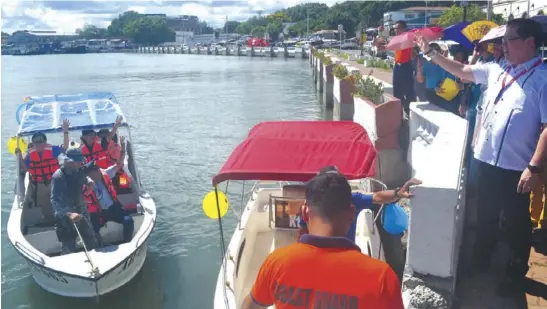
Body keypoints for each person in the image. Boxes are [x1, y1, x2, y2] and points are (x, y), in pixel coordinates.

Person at [416, 18, 546, 295]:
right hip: (485, 160)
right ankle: (481, 261)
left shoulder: (543, 80)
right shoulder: (497, 70)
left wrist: (534, 167)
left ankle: (514, 275)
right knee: (484, 215)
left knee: (516, 223)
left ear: (529, 43)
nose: (502, 46)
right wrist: (431, 54)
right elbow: (462, 71)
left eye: (508, 39)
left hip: (516, 167)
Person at [241, 168, 404, 309]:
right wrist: (398, 193)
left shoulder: (277, 263)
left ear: (305, 213)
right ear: (351, 213)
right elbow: (377, 197)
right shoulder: (382, 277)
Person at [17, 120, 70, 224]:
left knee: (59, 202)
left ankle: (64, 220)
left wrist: (65, 132)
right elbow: (26, 168)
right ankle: (50, 221)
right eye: (36, 141)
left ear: (45, 142)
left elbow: (65, 147)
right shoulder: (30, 154)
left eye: (41, 141)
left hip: (54, 182)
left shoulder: (52, 149)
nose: (38, 143)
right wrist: (19, 156)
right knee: (45, 205)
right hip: (40, 184)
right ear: (33, 143)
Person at [84, 136, 134, 243]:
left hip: (113, 208)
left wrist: (123, 147)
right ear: (89, 174)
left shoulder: (105, 173)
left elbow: (119, 164)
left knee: (128, 221)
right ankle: (99, 245)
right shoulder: (85, 183)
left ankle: (127, 242)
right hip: (98, 212)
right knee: (92, 230)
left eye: (97, 169)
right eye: (94, 170)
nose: (97, 171)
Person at [51, 148, 99, 255]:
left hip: (82, 211)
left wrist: (90, 182)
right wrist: (69, 213)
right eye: (78, 161)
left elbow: (84, 178)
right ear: (69, 162)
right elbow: (54, 200)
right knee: (68, 246)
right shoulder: (58, 177)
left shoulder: (77, 171)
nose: (80, 163)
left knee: (90, 238)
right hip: (66, 217)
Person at [374, 20, 416, 116]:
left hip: (407, 66)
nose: (396, 30)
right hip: (397, 66)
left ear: (404, 28)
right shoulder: (396, 39)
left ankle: (409, 112)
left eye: (398, 28)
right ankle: (399, 114)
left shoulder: (409, 37)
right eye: (395, 28)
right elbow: (384, 48)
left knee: (409, 91)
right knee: (397, 91)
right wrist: (378, 40)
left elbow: (413, 49)